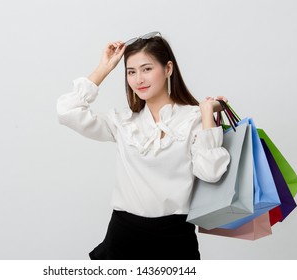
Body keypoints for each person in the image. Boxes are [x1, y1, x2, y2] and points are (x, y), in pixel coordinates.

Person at [56, 31, 230, 260]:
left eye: (147, 69)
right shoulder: (123, 122)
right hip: (123, 236)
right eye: (131, 72)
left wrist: (207, 114)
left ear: (168, 69)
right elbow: (67, 112)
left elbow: (211, 173)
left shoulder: (193, 118)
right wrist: (105, 68)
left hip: (175, 240)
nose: (138, 79)